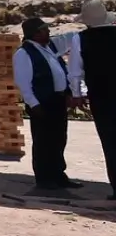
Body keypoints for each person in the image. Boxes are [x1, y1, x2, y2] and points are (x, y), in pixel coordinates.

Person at [13, 16, 82, 190]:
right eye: (44, 29)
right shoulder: (23, 53)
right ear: (35, 34)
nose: (48, 32)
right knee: (43, 141)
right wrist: (34, 104)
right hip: (42, 103)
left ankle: (58, 175)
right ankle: (44, 179)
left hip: (57, 100)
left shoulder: (50, 47)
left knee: (59, 139)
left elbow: (68, 45)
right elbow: (23, 83)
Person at [68, 0, 116, 200]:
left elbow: (75, 72)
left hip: (101, 97)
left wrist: (77, 95)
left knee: (110, 142)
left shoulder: (80, 39)